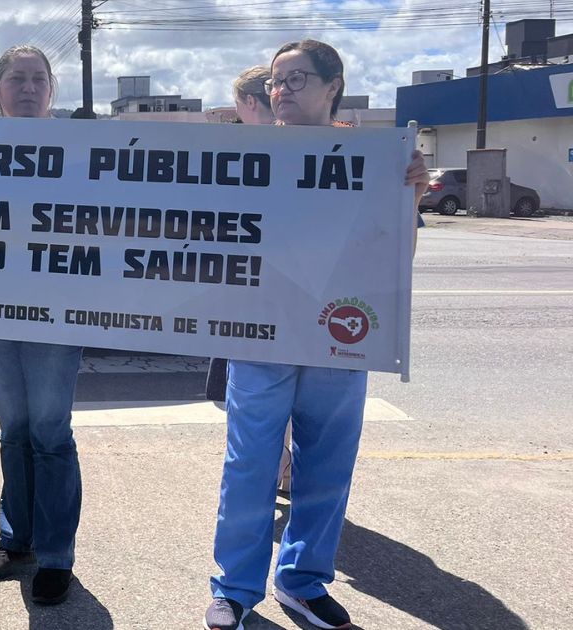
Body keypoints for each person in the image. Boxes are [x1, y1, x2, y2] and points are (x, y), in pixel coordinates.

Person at [204, 40, 429, 630]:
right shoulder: (244, 153)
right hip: (259, 335)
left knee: (326, 465)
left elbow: (395, 256)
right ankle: (233, 589)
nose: (280, 91)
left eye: (297, 79)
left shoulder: (373, 158)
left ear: (334, 87)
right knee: (250, 465)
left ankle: (302, 582)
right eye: (276, 81)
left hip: (339, 335)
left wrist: (408, 193)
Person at [0, 46, 84, 607]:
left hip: (56, 314)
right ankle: (16, 540)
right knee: (13, 430)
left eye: (39, 79)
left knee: (49, 433)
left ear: (52, 89)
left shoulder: (85, 149)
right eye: (17, 78)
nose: (29, 87)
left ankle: (56, 555)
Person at [206, 65, 292, 495]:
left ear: (250, 103)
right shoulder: (314, 143)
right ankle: (282, 465)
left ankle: (274, 467)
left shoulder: (243, 154)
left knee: (252, 401)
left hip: (251, 302)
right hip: (279, 299)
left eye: (238, 106)